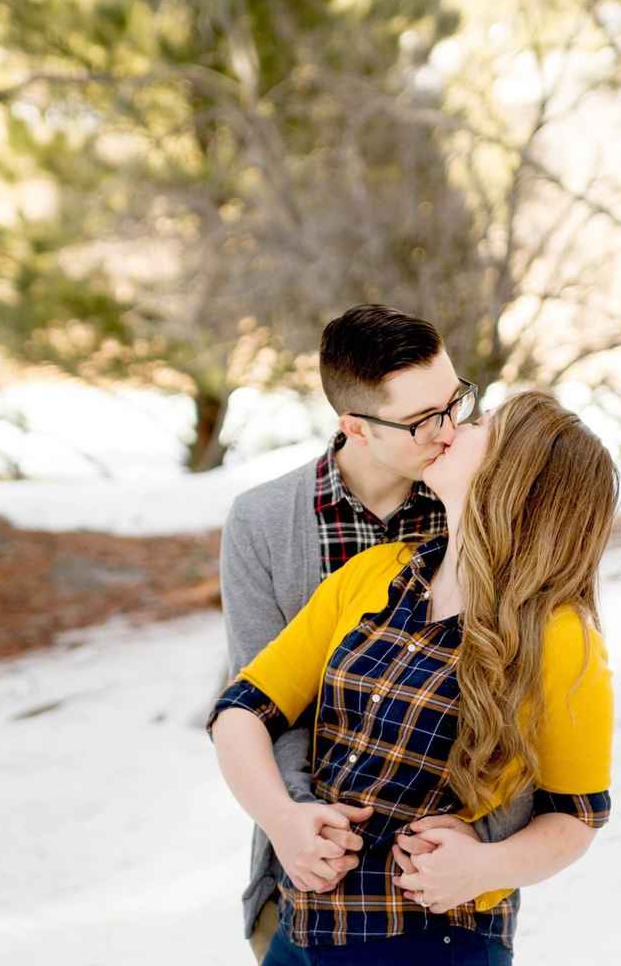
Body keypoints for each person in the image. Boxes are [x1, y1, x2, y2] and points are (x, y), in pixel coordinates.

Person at [209, 390, 618, 964]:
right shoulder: (374, 573)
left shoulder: (560, 636)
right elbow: (241, 710)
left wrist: (485, 866)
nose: (453, 428)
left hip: (434, 942)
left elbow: (577, 815)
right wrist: (283, 820)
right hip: (299, 934)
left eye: (480, 425)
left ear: (513, 476)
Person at [218, 304, 529, 961]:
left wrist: (488, 850)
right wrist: (294, 824)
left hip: (446, 906)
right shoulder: (264, 523)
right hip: (302, 880)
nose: (450, 431)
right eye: (422, 421)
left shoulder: (480, 503)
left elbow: (529, 703)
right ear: (354, 427)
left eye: (456, 402)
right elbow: (261, 702)